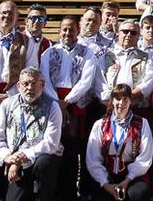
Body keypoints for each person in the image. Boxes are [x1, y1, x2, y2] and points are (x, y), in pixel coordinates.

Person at [42, 16, 100, 201]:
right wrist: (57, 102)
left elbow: (86, 80)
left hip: (76, 105)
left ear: (78, 30)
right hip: (53, 103)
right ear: (59, 31)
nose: (67, 33)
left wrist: (67, 101)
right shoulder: (49, 53)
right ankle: (55, 191)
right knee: (55, 147)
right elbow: (44, 79)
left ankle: (73, 192)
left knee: (74, 149)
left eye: (71, 30)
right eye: (64, 29)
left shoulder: (87, 52)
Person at [0, 67, 63, 201]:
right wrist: (7, 157)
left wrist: (22, 157)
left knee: (45, 163)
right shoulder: (7, 105)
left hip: (39, 160)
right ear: (18, 86)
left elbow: (51, 143)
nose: (29, 88)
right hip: (14, 162)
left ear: (42, 84)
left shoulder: (52, 106)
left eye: (34, 83)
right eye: (25, 84)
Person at [85, 83, 153, 201]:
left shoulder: (142, 124)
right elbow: (93, 159)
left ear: (130, 102)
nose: (121, 103)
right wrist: (106, 184)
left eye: (125, 99)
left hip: (132, 176)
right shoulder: (100, 125)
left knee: (139, 193)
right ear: (112, 101)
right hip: (106, 174)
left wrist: (127, 180)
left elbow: (145, 158)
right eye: (117, 98)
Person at [101, 20, 153, 112]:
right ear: (118, 33)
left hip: (137, 107)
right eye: (125, 31)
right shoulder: (106, 56)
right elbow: (100, 81)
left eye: (133, 33)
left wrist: (129, 98)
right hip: (110, 105)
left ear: (139, 36)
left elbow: (149, 81)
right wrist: (114, 99)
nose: (129, 35)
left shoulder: (147, 57)